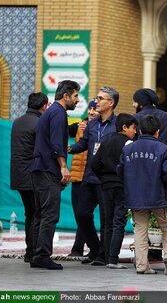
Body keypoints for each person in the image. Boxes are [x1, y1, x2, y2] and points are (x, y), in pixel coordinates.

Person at [29, 80, 80, 270]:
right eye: (75, 96)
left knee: (41, 214)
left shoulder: (50, 112)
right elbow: (56, 143)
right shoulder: (58, 113)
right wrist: (63, 167)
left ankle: (36, 254)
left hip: (39, 168)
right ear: (66, 96)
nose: (77, 100)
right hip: (48, 170)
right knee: (50, 214)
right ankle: (42, 255)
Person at [132, 88, 167, 261]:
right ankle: (163, 254)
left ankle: (144, 257)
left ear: (140, 103)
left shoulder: (135, 118)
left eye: (134, 101)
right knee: (163, 212)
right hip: (163, 167)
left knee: (141, 219)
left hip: (140, 167)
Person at [118, 115, 167, 275]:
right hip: (158, 196)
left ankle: (142, 266)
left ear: (140, 130)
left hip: (135, 196)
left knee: (140, 229)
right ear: (158, 132)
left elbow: (120, 170)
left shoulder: (128, 148)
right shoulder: (163, 149)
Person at [69, 87, 119, 266]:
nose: (96, 102)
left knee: (107, 219)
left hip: (106, 179)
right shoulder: (92, 124)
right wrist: (69, 149)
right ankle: (96, 248)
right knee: (82, 214)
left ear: (111, 103)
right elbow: (83, 144)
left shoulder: (118, 125)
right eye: (96, 98)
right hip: (89, 177)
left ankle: (103, 255)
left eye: (100, 98)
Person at [91, 113, 137, 269]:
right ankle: (112, 259)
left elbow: (94, 164)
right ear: (124, 128)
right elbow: (131, 167)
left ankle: (105, 258)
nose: (135, 132)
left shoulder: (106, 141)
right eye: (133, 128)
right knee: (119, 222)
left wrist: (104, 177)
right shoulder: (129, 143)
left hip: (106, 186)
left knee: (108, 222)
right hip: (121, 186)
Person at [10, 92, 48, 263]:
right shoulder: (39, 123)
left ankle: (29, 251)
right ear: (44, 106)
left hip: (18, 174)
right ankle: (34, 252)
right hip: (33, 174)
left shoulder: (18, 122)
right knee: (37, 214)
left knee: (29, 214)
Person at [67, 100, 99, 257]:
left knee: (86, 213)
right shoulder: (81, 126)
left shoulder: (103, 129)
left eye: (95, 109)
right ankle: (82, 248)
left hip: (93, 177)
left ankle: (81, 248)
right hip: (77, 177)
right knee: (79, 213)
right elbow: (63, 130)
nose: (92, 112)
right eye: (90, 109)